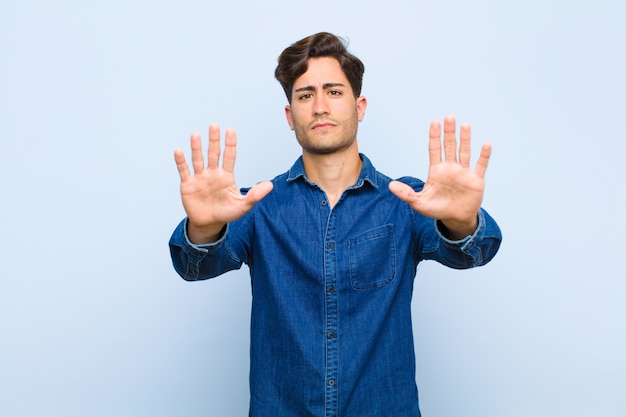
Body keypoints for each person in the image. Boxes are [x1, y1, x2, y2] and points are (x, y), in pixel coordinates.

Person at [169, 32, 502, 417]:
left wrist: (461, 220)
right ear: (290, 115)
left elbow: (474, 252)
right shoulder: (257, 205)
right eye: (306, 95)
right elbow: (194, 265)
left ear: (360, 106)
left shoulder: (407, 201)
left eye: (334, 92)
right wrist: (205, 228)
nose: (320, 106)